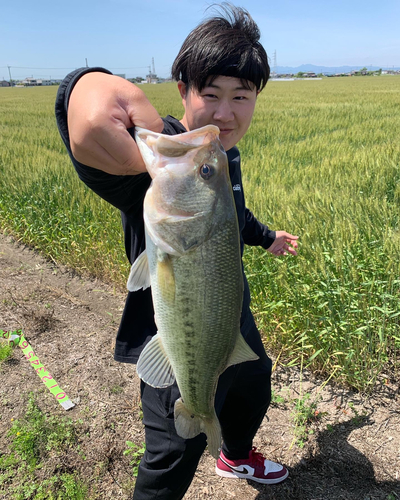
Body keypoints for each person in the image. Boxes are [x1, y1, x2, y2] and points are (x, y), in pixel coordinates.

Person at [55, 4, 298, 499]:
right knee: (173, 452)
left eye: (241, 96)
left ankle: (234, 456)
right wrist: (80, 87)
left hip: (228, 311)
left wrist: (267, 236)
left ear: (255, 99)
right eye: (210, 94)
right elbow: (91, 141)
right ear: (183, 88)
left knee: (255, 383)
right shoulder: (166, 161)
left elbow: (233, 214)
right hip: (174, 328)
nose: (225, 113)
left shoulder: (216, 158)